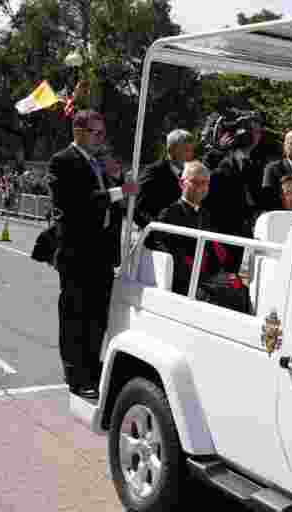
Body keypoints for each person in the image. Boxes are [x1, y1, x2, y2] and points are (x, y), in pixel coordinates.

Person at [48, 110, 139, 400]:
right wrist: (119, 191)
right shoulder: (62, 161)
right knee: (76, 315)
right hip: (77, 251)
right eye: (96, 133)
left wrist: (120, 181)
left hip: (101, 251)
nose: (101, 139)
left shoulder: (99, 164)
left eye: (102, 134)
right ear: (79, 131)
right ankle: (75, 374)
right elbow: (76, 204)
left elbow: (115, 205)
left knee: (98, 315)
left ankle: (92, 367)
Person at [206, 110, 276, 273]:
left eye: (259, 132)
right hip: (218, 235)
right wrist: (218, 150)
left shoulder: (253, 165)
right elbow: (203, 182)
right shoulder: (222, 162)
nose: (257, 136)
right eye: (253, 131)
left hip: (241, 234)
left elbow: (258, 199)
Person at [146, 161, 226, 297]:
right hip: (181, 282)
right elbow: (165, 253)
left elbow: (212, 250)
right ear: (182, 183)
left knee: (238, 290)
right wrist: (198, 281)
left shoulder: (205, 214)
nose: (201, 187)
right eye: (195, 182)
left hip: (203, 278)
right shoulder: (169, 214)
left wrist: (217, 274)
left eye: (205, 182)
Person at [135, 129, 195, 229]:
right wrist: (155, 235)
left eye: (191, 150)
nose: (190, 155)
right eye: (186, 150)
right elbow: (138, 209)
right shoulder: (154, 173)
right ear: (172, 150)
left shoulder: (190, 174)